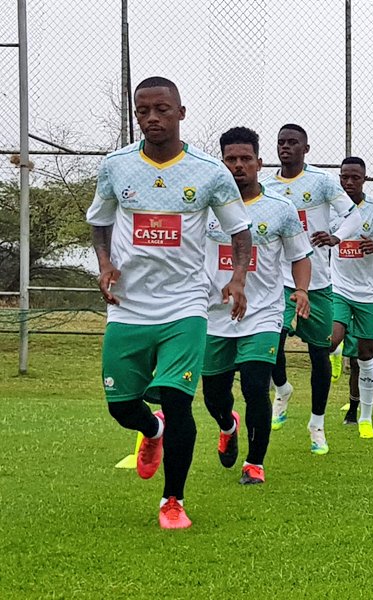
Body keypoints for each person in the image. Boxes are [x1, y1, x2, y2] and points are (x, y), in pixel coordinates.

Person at [86, 77, 252, 529]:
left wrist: (237, 278)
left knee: (180, 402)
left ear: (181, 112)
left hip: (185, 305)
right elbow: (100, 221)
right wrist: (104, 264)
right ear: (136, 114)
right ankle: (151, 430)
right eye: (143, 111)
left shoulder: (209, 172)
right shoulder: (116, 166)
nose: (152, 118)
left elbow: (240, 230)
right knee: (121, 407)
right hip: (127, 305)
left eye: (162, 109)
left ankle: (172, 501)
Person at [201, 127, 312, 485]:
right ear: (222, 163)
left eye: (245, 159)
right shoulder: (204, 205)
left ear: (259, 163)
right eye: (231, 159)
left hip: (262, 312)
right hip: (213, 315)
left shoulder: (280, 209)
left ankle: (254, 463)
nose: (238, 166)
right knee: (214, 394)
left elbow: (300, 257)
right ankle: (226, 424)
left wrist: (302, 290)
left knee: (254, 386)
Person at [262, 124, 351, 455]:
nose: (286, 148)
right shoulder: (267, 186)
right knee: (272, 341)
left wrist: (336, 235)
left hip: (318, 282)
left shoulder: (321, 182)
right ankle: (282, 390)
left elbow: (352, 214)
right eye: (281, 142)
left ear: (306, 148)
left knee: (319, 354)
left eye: (293, 143)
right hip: (278, 281)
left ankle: (316, 423)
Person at [312, 156, 373, 440]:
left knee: (366, 355)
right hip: (339, 288)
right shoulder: (332, 212)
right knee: (330, 338)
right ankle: (334, 355)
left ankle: (365, 417)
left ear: (364, 179)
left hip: (370, 293)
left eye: (355, 177)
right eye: (344, 177)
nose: (349, 182)